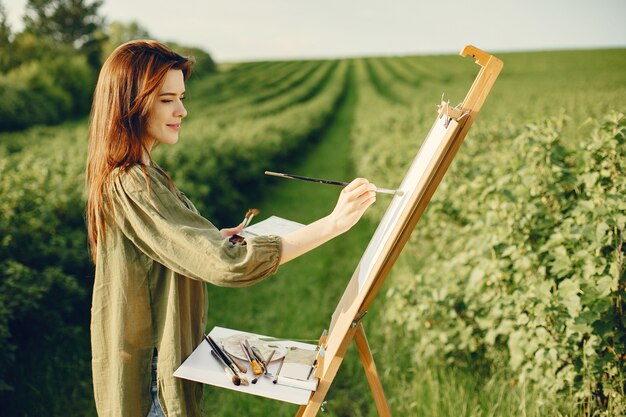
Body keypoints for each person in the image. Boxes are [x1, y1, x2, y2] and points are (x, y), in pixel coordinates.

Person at [85, 40, 377, 417]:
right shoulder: (134, 184)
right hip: (151, 379)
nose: (182, 110)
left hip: (153, 366)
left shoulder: (141, 176)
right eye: (167, 99)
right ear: (131, 104)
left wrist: (208, 240)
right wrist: (333, 223)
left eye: (182, 97)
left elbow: (162, 252)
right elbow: (230, 265)